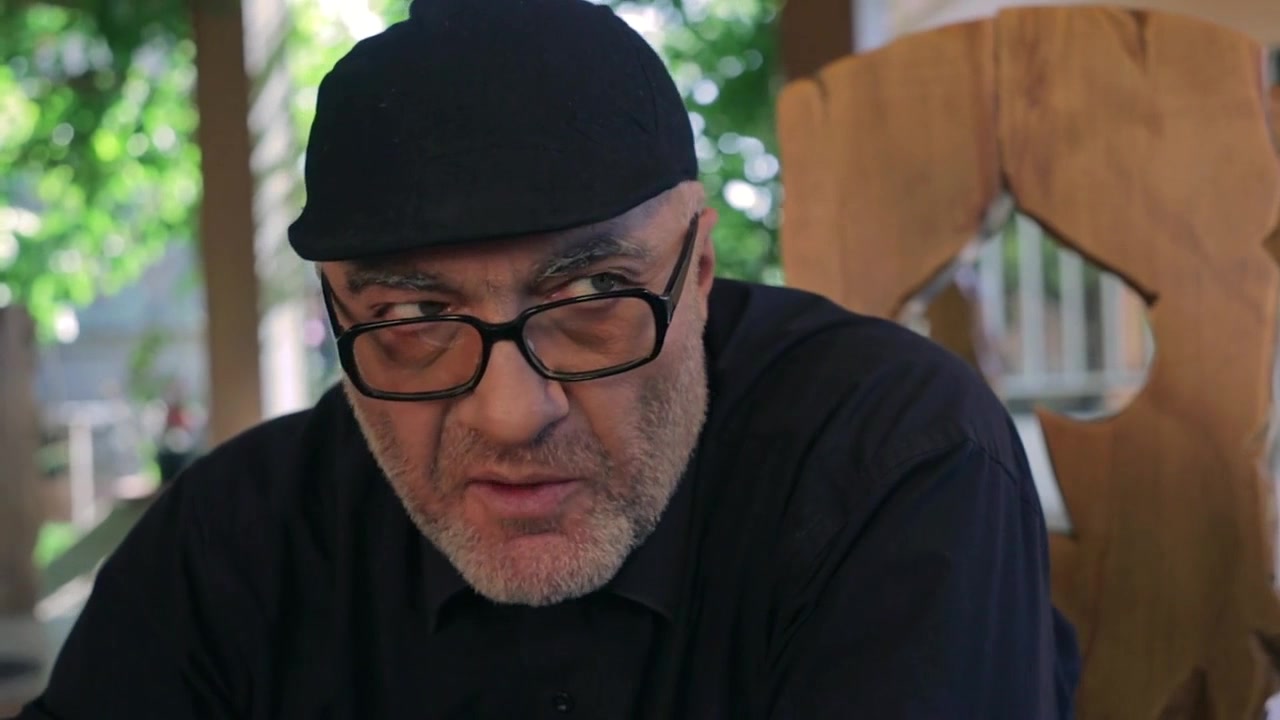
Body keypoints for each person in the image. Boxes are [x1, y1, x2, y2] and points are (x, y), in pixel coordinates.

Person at [12, 0, 1080, 717]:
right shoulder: (236, 547)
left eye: (591, 299)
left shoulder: (890, 464)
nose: (511, 412)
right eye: (412, 315)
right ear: (336, 311)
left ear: (699, 269)